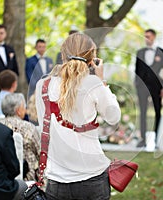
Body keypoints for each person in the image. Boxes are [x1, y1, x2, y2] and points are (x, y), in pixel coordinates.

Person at [36, 33, 121, 200]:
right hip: (92, 178)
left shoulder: (42, 86)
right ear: (92, 60)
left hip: (56, 181)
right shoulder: (93, 84)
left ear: (62, 55)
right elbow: (113, 117)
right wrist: (101, 81)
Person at [135, 29, 163, 148]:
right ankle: (142, 139)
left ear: (154, 37)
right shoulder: (140, 52)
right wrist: (137, 85)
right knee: (142, 113)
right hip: (142, 88)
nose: (146, 39)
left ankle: (157, 139)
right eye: (145, 37)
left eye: (148, 36)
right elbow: (137, 71)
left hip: (157, 88)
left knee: (158, 112)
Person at [0, 93, 40, 181]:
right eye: (24, 107)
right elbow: (40, 152)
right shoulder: (28, 127)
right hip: (28, 176)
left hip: (4, 175)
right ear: (18, 110)